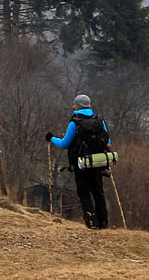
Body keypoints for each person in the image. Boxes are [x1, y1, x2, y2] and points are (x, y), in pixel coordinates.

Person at [46, 94, 110, 229]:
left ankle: (92, 223)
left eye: (74, 104)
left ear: (77, 106)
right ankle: (103, 223)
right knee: (98, 193)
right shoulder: (99, 121)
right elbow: (107, 142)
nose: (72, 106)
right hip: (98, 163)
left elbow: (65, 144)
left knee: (84, 193)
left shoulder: (74, 123)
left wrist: (51, 138)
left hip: (81, 165)